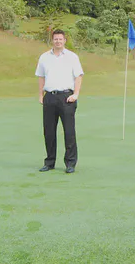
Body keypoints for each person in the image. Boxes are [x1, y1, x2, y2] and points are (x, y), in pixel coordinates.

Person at [35, 29, 84, 173]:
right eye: (55, 39)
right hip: (49, 96)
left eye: (60, 39)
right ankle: (49, 162)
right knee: (49, 131)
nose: (58, 41)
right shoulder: (44, 57)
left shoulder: (72, 57)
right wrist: (40, 94)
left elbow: (79, 76)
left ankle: (70, 163)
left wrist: (76, 94)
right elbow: (41, 77)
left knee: (69, 132)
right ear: (52, 40)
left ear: (64, 41)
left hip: (66, 97)